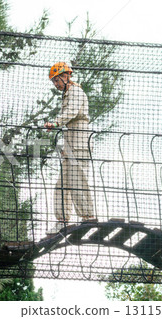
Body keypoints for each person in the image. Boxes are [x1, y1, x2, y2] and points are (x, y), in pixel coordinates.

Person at [44, 62, 95, 234]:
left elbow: (72, 111)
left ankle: (88, 217)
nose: (56, 85)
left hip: (80, 141)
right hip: (70, 142)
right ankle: (62, 219)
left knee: (77, 179)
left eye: (56, 80)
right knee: (62, 183)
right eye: (54, 82)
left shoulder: (76, 91)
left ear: (65, 76)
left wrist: (56, 122)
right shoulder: (66, 94)